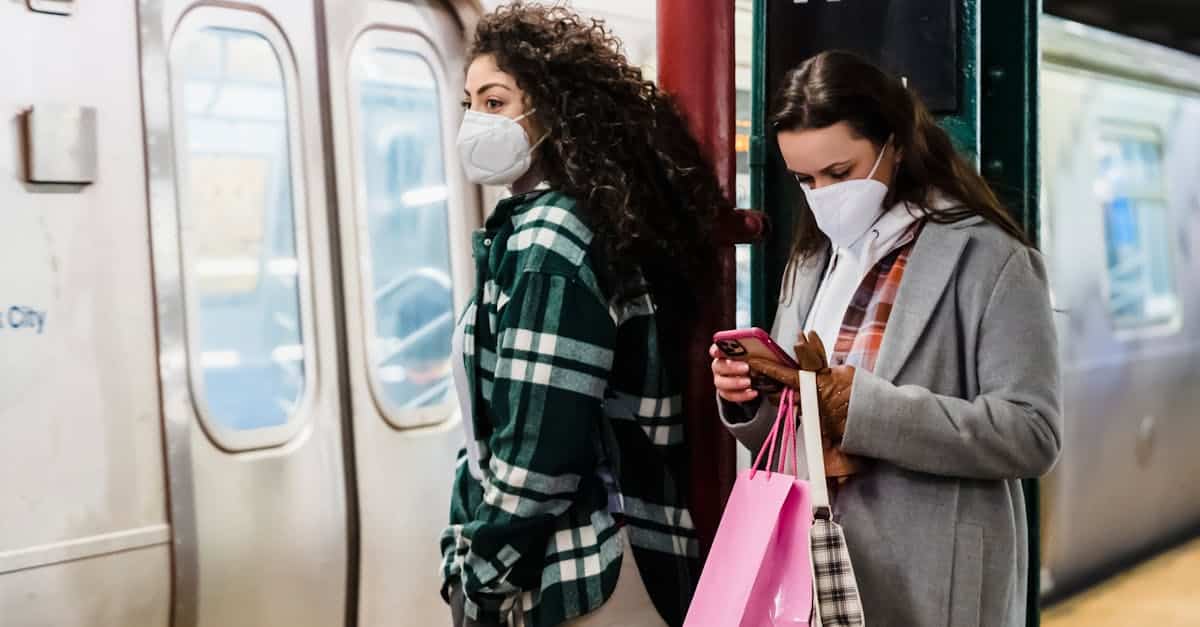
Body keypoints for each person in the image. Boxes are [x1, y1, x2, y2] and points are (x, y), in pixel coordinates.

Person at [710, 50, 1062, 627]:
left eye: (841, 172)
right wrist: (748, 396)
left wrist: (865, 407)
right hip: (815, 571)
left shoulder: (990, 259)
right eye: (805, 179)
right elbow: (792, 420)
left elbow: (1032, 434)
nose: (823, 194)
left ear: (895, 145)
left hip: (930, 574)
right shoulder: (811, 260)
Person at [441, 4, 730, 626]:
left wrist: (481, 574)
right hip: (624, 555)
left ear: (554, 108)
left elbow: (539, 451)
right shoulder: (585, 219)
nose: (474, 122)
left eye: (495, 102)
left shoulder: (549, 240)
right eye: (469, 103)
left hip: (580, 573)